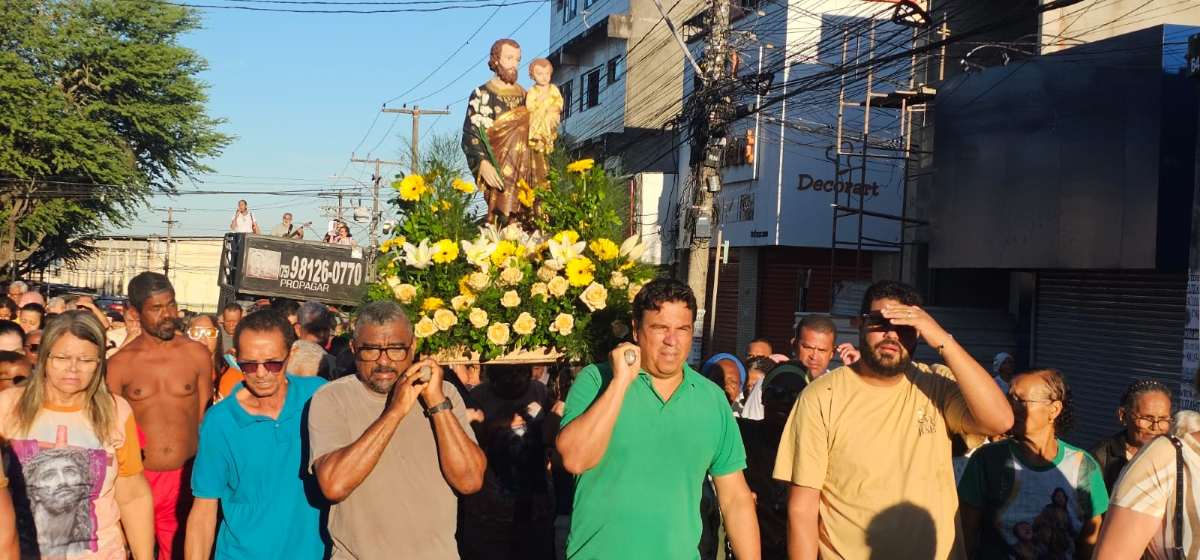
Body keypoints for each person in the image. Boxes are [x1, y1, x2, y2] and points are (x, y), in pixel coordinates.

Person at [775, 280, 1013, 560]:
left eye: (905, 327)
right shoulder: (822, 397)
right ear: (859, 323)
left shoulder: (936, 385)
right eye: (880, 322)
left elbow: (1000, 420)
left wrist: (941, 338)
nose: (892, 335)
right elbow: (802, 508)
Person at [557, 278, 761, 558]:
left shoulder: (711, 399)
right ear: (636, 330)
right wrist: (619, 383)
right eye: (660, 328)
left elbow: (735, 499)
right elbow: (575, 459)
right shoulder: (596, 381)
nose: (672, 341)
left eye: (682, 329)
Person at [308, 300, 485, 560]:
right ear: (354, 348)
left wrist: (436, 403)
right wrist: (395, 411)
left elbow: (470, 481)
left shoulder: (444, 394)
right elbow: (334, 485)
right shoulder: (331, 398)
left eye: (395, 350)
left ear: (412, 347)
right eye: (370, 350)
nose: (384, 362)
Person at [0, 310, 155, 559]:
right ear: (44, 357)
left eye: (85, 360)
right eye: (62, 357)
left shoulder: (117, 411)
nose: (73, 368)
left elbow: (133, 495)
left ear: (99, 363)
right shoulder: (6, 407)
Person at [185, 310, 327, 559]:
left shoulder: (318, 397)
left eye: (273, 364)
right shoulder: (220, 422)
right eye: (249, 365)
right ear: (236, 358)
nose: (261, 374)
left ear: (291, 355)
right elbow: (204, 510)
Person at [107, 272, 214, 560]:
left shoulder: (197, 355)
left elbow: (208, 420)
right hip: (135, 481)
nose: (168, 315)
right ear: (134, 312)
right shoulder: (119, 365)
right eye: (156, 308)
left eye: (171, 305)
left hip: (186, 479)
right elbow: (108, 432)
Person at [958, 369, 1107, 559]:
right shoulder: (987, 460)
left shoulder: (1084, 466)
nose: (1010, 407)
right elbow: (966, 536)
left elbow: (1090, 540)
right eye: (1008, 398)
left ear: (1054, 410)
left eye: (1021, 401)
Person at [459, 364, 555, 560]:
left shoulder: (540, 391)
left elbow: (549, 436)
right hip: (489, 508)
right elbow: (467, 445)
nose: (514, 379)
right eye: (506, 373)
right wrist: (497, 425)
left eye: (520, 372)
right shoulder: (477, 397)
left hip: (534, 503)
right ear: (492, 374)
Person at [740, 363, 807, 560]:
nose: (784, 401)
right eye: (776, 392)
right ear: (762, 396)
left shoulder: (818, 448)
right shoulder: (741, 434)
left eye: (794, 395)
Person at [462, 38, 530, 224]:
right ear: (496, 59)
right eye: (509, 58)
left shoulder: (525, 95)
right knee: (502, 215)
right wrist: (483, 163)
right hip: (498, 165)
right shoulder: (483, 94)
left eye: (517, 60)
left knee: (526, 216)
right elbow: (472, 133)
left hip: (523, 168)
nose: (514, 64)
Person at [1090, 379, 1173, 494]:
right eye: (1147, 418)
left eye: (1163, 419)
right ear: (1123, 415)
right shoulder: (1100, 458)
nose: (1155, 427)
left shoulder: (1176, 455)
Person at [792, 314, 858, 382]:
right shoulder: (781, 380)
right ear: (794, 346)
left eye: (822, 350)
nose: (814, 356)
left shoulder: (841, 386)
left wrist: (855, 375)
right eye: (808, 348)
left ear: (832, 353)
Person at [288, 302, 337, 379]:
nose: (322, 335)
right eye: (315, 329)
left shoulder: (332, 363)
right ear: (298, 329)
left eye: (326, 329)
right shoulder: (284, 359)